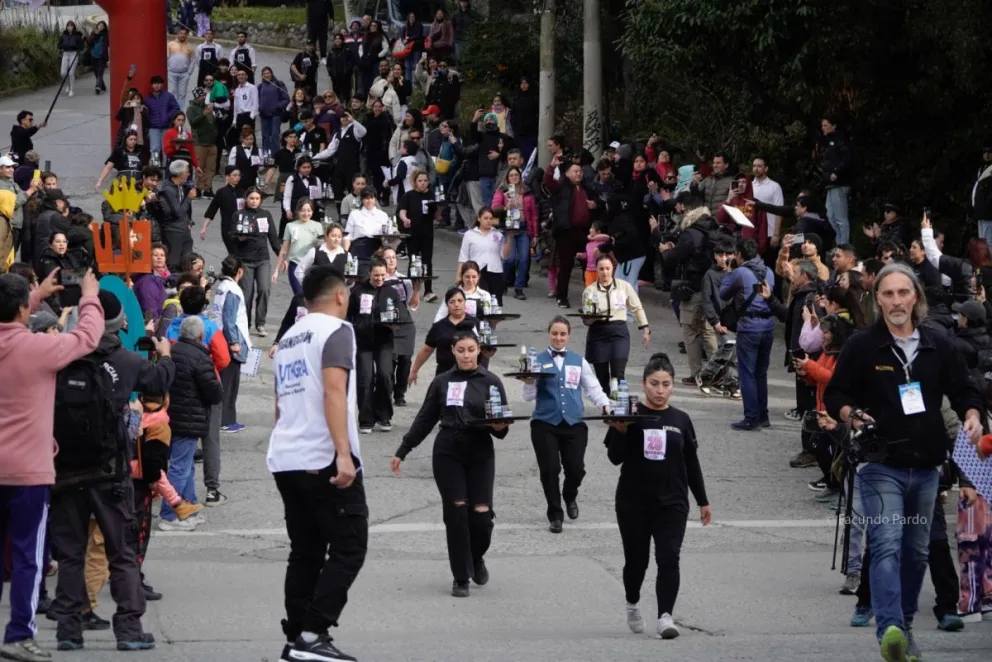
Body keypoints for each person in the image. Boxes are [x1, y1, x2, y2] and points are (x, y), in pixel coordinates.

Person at [824, 263, 984, 662]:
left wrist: (973, 414)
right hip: (881, 465)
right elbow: (835, 394)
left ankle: (905, 627)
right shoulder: (863, 345)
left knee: (917, 552)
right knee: (886, 545)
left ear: (916, 297)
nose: (896, 301)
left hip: (928, 467)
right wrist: (851, 415)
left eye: (903, 293)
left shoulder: (938, 344)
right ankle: (890, 628)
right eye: (888, 294)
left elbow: (966, 389)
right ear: (877, 299)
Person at [50, 289, 175, 653]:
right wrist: (164, 354)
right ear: (118, 322)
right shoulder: (125, 360)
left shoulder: (60, 355)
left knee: (71, 552)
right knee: (121, 550)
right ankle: (129, 628)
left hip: (65, 469)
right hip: (109, 470)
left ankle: (69, 629)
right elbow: (159, 383)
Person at [0, 269, 102, 662]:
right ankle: (18, 634)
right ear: (24, 310)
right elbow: (87, 337)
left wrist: (36, 296)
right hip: (28, 471)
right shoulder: (37, 349)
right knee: (29, 556)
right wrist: (89, 296)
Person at [266, 266, 367, 662]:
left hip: (286, 456)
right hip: (322, 457)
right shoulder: (336, 331)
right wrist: (343, 453)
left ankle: (297, 637)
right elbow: (334, 390)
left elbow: (279, 403)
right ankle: (313, 632)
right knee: (350, 545)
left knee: (305, 550)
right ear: (340, 295)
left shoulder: (289, 336)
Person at [392, 331, 509, 597]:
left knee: (481, 517)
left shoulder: (491, 382)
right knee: (456, 513)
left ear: (478, 350)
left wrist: (499, 426)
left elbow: (501, 428)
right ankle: (460, 577)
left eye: (470, 349)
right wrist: (403, 449)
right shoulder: (442, 382)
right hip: (448, 452)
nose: (466, 355)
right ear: (453, 351)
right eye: (461, 350)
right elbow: (425, 418)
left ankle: (475, 557)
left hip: (480, 453)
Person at [605, 352, 712, 639]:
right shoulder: (628, 413)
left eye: (666, 384)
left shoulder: (681, 419)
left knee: (669, 558)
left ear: (673, 385)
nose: (660, 390)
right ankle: (632, 602)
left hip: (672, 502)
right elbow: (615, 458)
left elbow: (691, 461)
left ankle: (665, 616)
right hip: (633, 502)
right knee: (637, 561)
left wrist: (702, 500)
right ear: (643, 384)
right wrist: (621, 432)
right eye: (654, 383)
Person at [523, 316, 611, 533]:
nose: (558, 337)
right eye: (554, 333)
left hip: (574, 423)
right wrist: (529, 382)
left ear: (568, 336)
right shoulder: (538, 360)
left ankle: (569, 495)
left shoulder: (578, 360)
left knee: (576, 469)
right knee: (550, 469)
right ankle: (555, 514)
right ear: (548, 334)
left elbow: (593, 388)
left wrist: (606, 405)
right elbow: (528, 396)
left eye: (562, 334)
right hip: (545, 422)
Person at [158, 316, 222, 530]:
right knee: (180, 467)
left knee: (185, 465)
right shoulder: (201, 357)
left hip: (170, 416)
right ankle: (170, 513)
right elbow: (214, 391)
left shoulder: (170, 353)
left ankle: (189, 506)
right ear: (201, 335)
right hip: (190, 418)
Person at [347, 258, 404, 434]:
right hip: (363, 341)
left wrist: (394, 323)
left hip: (384, 340)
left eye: (382, 275)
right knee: (365, 378)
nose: (379, 278)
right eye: (375, 275)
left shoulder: (392, 292)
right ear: (369, 274)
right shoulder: (358, 291)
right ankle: (365, 419)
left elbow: (399, 315)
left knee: (385, 376)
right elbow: (349, 316)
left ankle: (384, 415)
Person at [580, 255, 651, 392]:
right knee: (602, 377)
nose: (605, 272)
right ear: (597, 270)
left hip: (619, 332)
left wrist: (645, 329)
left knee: (618, 375)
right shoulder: (589, 291)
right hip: (598, 333)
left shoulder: (624, 286)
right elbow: (586, 319)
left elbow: (636, 307)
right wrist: (592, 318)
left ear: (613, 268)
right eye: (601, 269)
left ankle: (619, 407)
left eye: (608, 268)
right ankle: (607, 407)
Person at [229, 187, 279, 336]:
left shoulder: (266, 214)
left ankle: (261, 323)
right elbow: (231, 235)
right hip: (245, 259)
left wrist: (281, 256)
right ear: (246, 199)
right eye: (251, 198)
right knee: (247, 293)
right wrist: (239, 238)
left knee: (264, 289)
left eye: (257, 198)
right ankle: (246, 323)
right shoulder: (238, 215)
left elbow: (273, 236)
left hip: (262, 258)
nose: (254, 201)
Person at [209, 255, 250, 434]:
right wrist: (234, 342)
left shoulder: (221, 287)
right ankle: (226, 420)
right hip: (228, 341)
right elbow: (229, 318)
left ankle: (224, 418)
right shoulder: (232, 290)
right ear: (239, 272)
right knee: (230, 382)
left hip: (218, 337)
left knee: (225, 380)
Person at [411, 287, 485, 383]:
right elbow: (426, 350)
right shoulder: (439, 326)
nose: (457, 305)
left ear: (465, 302)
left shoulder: (475, 323)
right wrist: (414, 371)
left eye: (460, 301)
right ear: (447, 305)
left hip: (471, 374)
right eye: (452, 302)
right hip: (444, 374)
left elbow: (485, 348)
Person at [381, 247, 419, 408]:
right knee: (389, 360)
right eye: (387, 258)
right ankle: (386, 391)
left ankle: (400, 393)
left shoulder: (404, 280)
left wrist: (417, 289)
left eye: (393, 257)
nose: (391, 260)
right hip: (387, 322)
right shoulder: (379, 278)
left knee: (405, 360)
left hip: (405, 322)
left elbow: (413, 304)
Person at [456, 207, 511, 305]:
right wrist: (459, 275)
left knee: (496, 305)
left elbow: (504, 256)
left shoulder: (498, 235)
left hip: (495, 271)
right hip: (477, 273)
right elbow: (463, 257)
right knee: (479, 304)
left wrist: (510, 238)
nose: (488, 221)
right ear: (479, 218)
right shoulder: (469, 235)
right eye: (486, 218)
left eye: (490, 218)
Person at [398, 169, 437, 299]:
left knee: (427, 261)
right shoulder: (408, 196)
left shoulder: (432, 195)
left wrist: (437, 209)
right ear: (415, 182)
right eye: (420, 181)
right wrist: (405, 219)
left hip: (427, 233)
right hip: (413, 233)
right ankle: (411, 290)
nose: (423, 183)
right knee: (413, 261)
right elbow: (402, 211)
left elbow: (437, 216)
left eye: (425, 181)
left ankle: (428, 290)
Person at [274, 198, 324, 296]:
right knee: (300, 295)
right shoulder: (290, 226)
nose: (306, 214)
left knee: (311, 296)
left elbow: (321, 247)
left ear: (312, 211)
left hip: (312, 266)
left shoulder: (317, 226)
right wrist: (276, 270)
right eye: (303, 210)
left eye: (309, 211)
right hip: (295, 265)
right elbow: (284, 250)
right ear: (298, 211)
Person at [157, 160, 197, 272]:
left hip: (184, 229)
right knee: (173, 263)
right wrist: (189, 198)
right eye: (187, 172)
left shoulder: (182, 187)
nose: (189, 175)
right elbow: (177, 212)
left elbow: (185, 210)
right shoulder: (168, 190)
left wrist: (189, 221)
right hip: (173, 231)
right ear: (181, 174)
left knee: (188, 262)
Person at [167, 28, 195, 106]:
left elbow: (193, 61)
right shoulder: (170, 44)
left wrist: (189, 73)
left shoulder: (190, 47)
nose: (182, 35)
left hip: (184, 74)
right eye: (181, 33)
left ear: (186, 35)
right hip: (172, 72)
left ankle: (180, 112)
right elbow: (166, 57)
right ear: (177, 34)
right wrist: (167, 70)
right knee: (171, 92)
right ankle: (172, 111)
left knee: (182, 94)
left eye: (184, 33)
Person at [58, 21, 85, 98]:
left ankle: (72, 90)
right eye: (68, 26)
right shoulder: (63, 35)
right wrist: (65, 45)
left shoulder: (77, 36)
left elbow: (81, 46)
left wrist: (75, 47)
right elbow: (59, 45)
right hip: (65, 54)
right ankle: (68, 85)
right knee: (63, 73)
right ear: (66, 27)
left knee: (71, 73)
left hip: (74, 54)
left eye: (71, 26)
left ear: (73, 27)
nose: (70, 27)